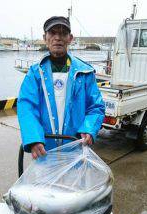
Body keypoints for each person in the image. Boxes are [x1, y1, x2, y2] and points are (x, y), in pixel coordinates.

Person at [17, 16, 105, 159]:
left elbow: (96, 107)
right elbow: (26, 107)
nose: (57, 38)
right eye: (52, 33)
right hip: (44, 151)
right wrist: (33, 138)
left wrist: (89, 129)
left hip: (76, 149)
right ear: (45, 37)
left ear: (70, 38)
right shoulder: (34, 73)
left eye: (63, 33)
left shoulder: (85, 72)